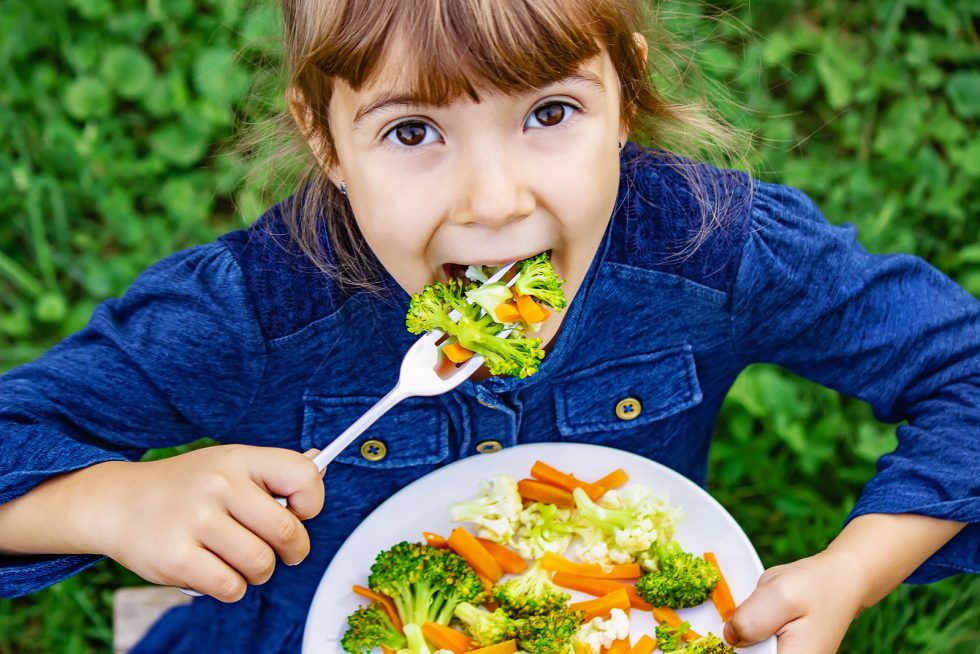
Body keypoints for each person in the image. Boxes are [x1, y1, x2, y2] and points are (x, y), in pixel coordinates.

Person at [0, 0, 976, 652]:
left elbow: (961, 369)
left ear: (623, 101)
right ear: (322, 138)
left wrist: (855, 571)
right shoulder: (254, 310)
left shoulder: (705, 246)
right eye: (412, 131)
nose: (494, 200)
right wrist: (111, 502)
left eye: (548, 113)